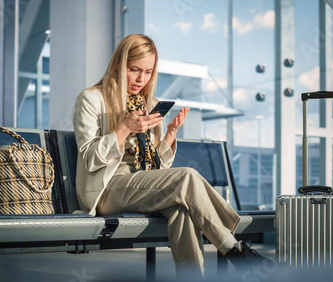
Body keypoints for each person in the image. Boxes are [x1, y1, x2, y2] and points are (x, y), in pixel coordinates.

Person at [72, 33, 268, 279]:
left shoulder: (146, 103)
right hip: (107, 188)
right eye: (134, 69)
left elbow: (158, 165)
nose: (141, 79)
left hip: (142, 184)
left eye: (147, 72)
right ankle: (234, 248)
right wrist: (124, 129)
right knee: (186, 176)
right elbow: (90, 158)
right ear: (119, 64)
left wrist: (171, 134)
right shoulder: (91, 99)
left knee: (181, 210)